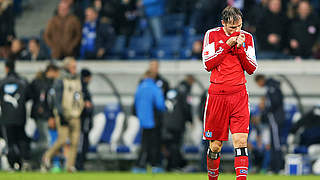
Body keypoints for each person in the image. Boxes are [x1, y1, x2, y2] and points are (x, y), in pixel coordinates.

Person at [201, 6, 257, 180]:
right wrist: (227, 45)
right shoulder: (211, 34)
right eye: (232, 27)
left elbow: (252, 68)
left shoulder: (247, 38)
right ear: (223, 23)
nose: (237, 30)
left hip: (239, 95)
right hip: (218, 96)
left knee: (241, 142)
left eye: (239, 26)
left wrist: (240, 48)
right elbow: (207, 64)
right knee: (216, 146)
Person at [42, 57, 84, 172]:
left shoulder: (78, 79)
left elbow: (79, 95)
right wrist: (60, 114)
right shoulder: (60, 80)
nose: (75, 69)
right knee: (62, 140)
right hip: (64, 114)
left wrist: (82, 107)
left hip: (76, 114)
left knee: (75, 142)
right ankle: (47, 157)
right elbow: (57, 100)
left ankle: (70, 166)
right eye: (73, 66)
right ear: (67, 67)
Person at [132, 70, 166, 173]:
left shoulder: (139, 88)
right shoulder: (154, 88)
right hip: (153, 120)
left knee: (144, 143)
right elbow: (160, 104)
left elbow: (135, 104)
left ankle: (140, 165)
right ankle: (154, 165)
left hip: (143, 120)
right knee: (154, 144)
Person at [0, 59, 31, 171]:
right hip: (20, 116)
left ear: (6, 68)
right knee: (22, 138)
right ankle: (25, 161)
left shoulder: (2, 82)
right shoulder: (22, 81)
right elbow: (28, 96)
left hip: (6, 118)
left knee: (10, 141)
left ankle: (13, 163)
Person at [162, 74, 194, 171]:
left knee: (170, 145)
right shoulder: (185, 91)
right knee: (176, 144)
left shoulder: (174, 90)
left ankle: (169, 165)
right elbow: (186, 107)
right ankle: (174, 165)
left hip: (167, 121)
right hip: (178, 123)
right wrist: (190, 120)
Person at [255, 74, 285, 174]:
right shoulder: (272, 87)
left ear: (261, 80)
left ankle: (278, 168)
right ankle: (274, 167)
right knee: (274, 143)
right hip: (274, 119)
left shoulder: (271, 88)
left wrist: (264, 113)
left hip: (275, 119)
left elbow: (273, 103)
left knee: (276, 144)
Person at [29, 64, 60, 156]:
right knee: (46, 141)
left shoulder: (47, 82)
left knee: (44, 140)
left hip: (43, 115)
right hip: (42, 116)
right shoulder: (42, 83)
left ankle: (40, 161)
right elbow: (42, 102)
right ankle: (27, 154)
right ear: (51, 70)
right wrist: (49, 117)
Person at [76, 68, 93, 171]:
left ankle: (80, 164)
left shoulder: (82, 87)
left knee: (83, 142)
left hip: (85, 120)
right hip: (83, 120)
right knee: (82, 143)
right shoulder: (82, 88)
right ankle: (79, 164)